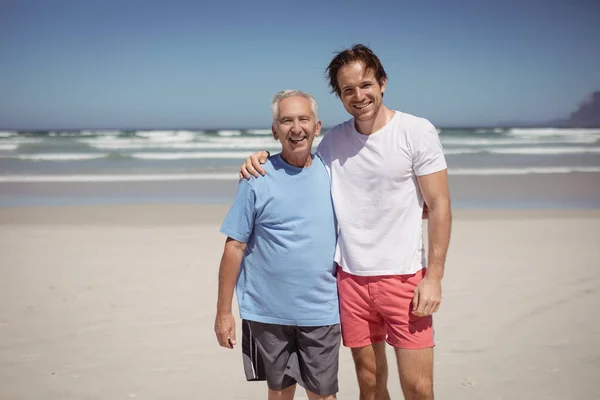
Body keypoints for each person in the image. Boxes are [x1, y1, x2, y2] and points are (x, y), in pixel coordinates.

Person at [240, 44, 452, 400]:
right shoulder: (334, 141)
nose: (359, 95)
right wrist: (261, 157)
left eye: (366, 84)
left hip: (405, 277)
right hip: (350, 280)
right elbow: (297, 158)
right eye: (347, 90)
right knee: (369, 382)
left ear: (382, 83)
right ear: (339, 96)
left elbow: (440, 205)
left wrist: (434, 278)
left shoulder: (416, 131)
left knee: (418, 387)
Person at [215, 90, 341, 400]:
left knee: (323, 395)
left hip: (321, 309)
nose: (296, 128)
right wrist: (223, 313)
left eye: (303, 119)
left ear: (317, 126)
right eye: (286, 121)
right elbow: (234, 246)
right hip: (267, 312)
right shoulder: (256, 176)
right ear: (275, 130)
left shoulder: (335, 172)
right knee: (280, 393)